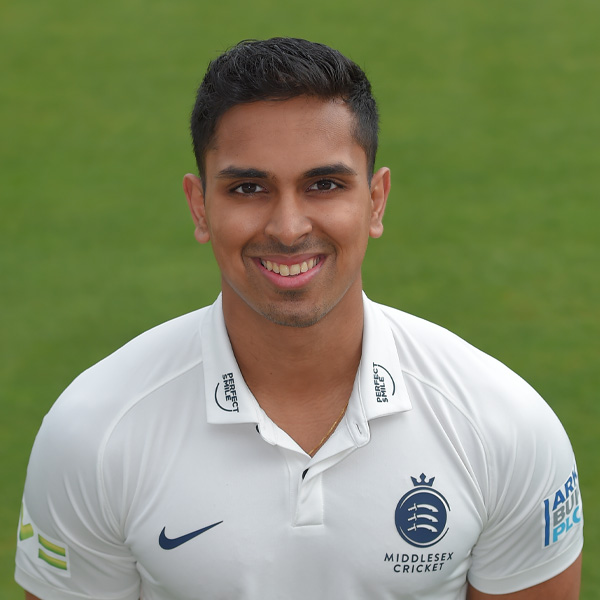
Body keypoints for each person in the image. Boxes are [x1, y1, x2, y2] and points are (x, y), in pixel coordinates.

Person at [15, 37, 583, 600]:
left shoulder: (505, 426)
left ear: (376, 200)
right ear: (199, 207)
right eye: (248, 188)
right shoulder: (92, 433)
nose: (288, 228)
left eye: (324, 185)